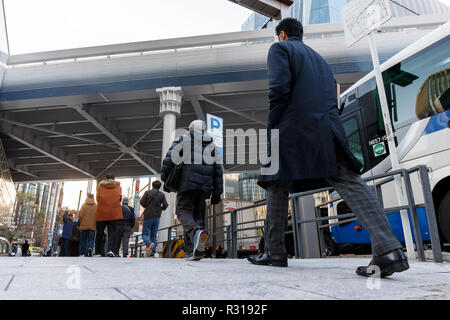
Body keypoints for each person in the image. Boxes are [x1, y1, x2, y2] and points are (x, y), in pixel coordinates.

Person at [248, 18, 408, 278]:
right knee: (349, 180)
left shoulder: (280, 49)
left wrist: (272, 126)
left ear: (282, 35)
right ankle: (389, 249)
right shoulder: (321, 61)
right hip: (327, 127)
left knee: (275, 181)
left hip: (292, 128)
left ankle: (274, 251)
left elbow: (278, 89)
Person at [161, 120, 223, 261]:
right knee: (197, 216)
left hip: (186, 183)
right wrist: (217, 192)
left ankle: (196, 234)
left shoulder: (184, 139)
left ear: (190, 128)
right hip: (205, 187)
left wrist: (166, 180)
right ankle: (193, 252)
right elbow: (218, 170)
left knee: (182, 211)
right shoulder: (212, 145)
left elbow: (169, 160)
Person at [95, 173, 122, 257]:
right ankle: (111, 251)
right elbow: (120, 198)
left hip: (102, 212)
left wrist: (103, 204)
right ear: (114, 179)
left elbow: (97, 198)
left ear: (106, 179)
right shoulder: (118, 187)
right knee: (112, 233)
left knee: (99, 233)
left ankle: (98, 252)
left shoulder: (100, 186)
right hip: (114, 213)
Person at [139, 180, 168, 257]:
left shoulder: (147, 193)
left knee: (145, 234)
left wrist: (147, 206)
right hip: (157, 217)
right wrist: (160, 209)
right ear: (159, 186)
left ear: (152, 185)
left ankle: (149, 244)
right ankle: (154, 252)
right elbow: (165, 205)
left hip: (148, 216)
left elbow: (141, 202)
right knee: (154, 235)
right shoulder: (161, 194)